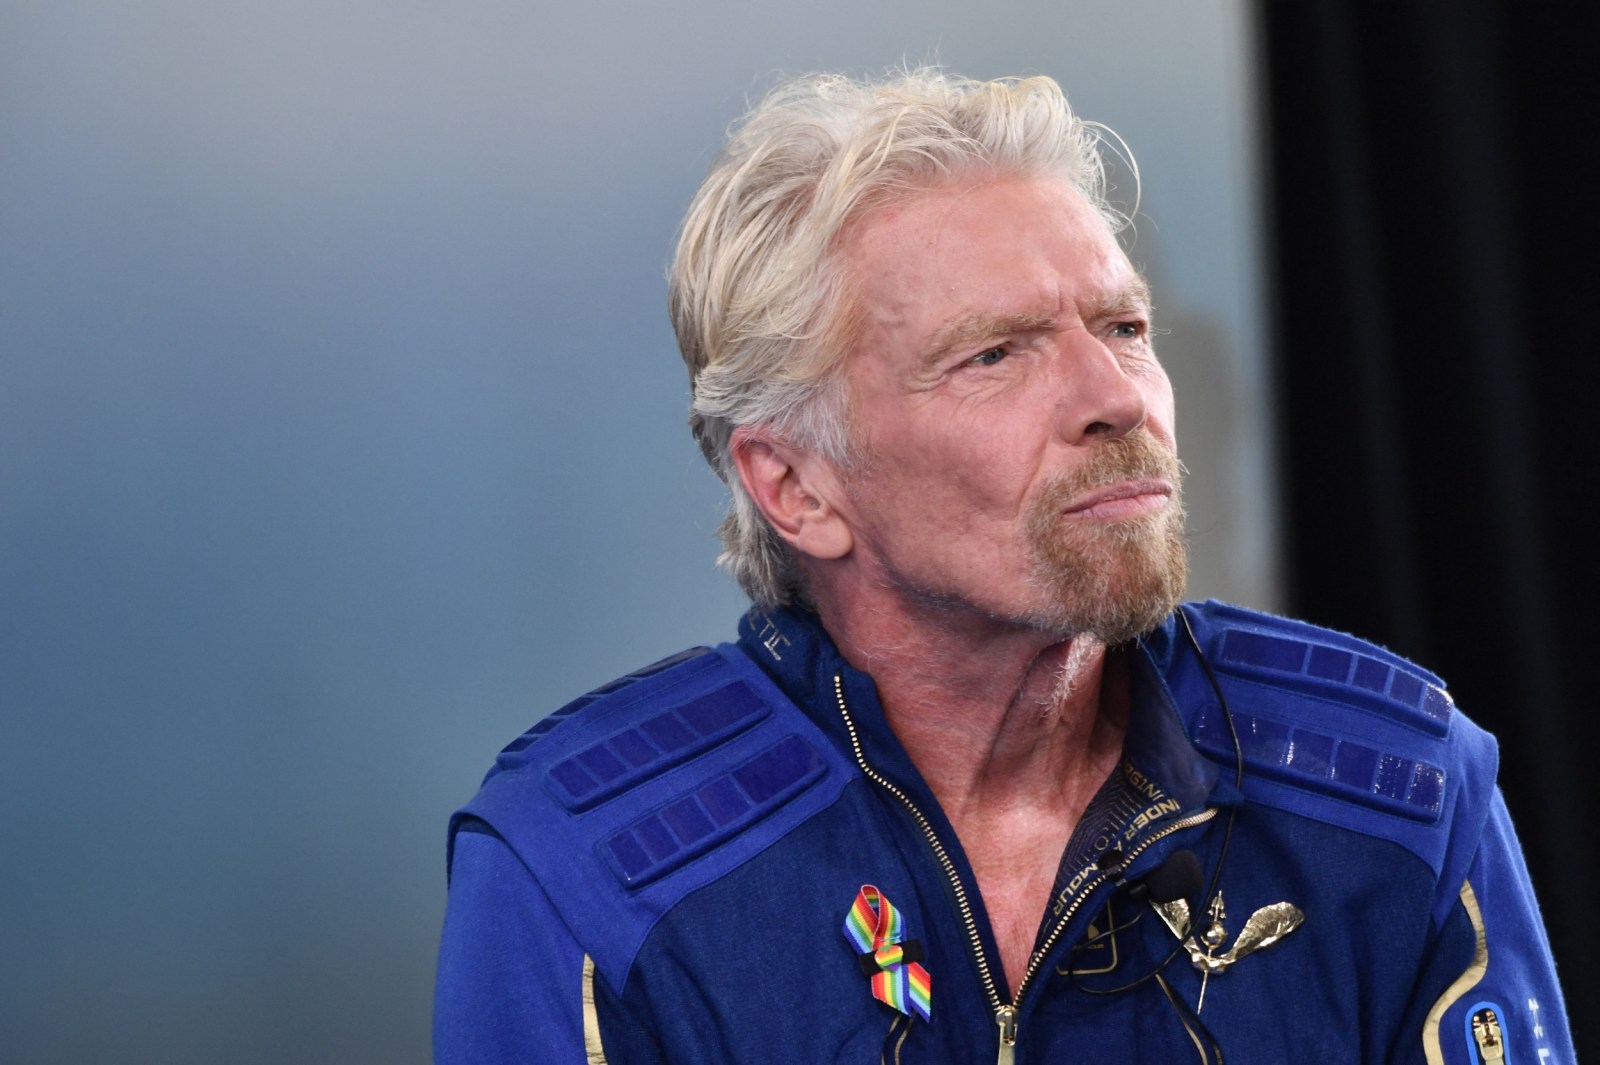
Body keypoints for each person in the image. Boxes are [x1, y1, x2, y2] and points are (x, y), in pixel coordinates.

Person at [433, 70, 1572, 1064]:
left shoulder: (1399, 789)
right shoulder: (587, 870)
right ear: (796, 487)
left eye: (1123, 328)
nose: (1116, 398)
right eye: (993, 354)